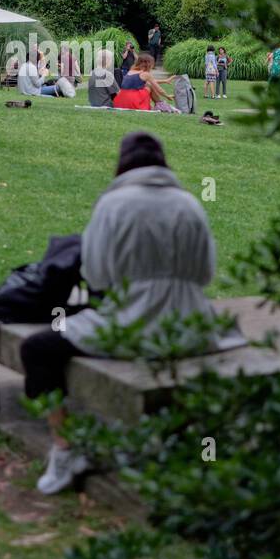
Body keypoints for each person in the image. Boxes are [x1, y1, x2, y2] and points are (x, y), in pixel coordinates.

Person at [20, 132, 218, 493]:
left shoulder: (112, 205)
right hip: (192, 323)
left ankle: (64, 448)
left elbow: (95, 275)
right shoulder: (190, 204)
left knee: (37, 349)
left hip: (131, 322)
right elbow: (205, 273)